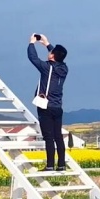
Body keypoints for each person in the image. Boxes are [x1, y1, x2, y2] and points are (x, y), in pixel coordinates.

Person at [28, 33, 68, 172]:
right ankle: (61, 165)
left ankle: (50, 165)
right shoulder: (64, 69)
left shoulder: (47, 67)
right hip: (58, 107)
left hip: (45, 106)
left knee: (49, 137)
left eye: (51, 52)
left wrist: (32, 43)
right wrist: (47, 43)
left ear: (52, 56)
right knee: (58, 137)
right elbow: (58, 58)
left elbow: (32, 58)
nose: (49, 52)